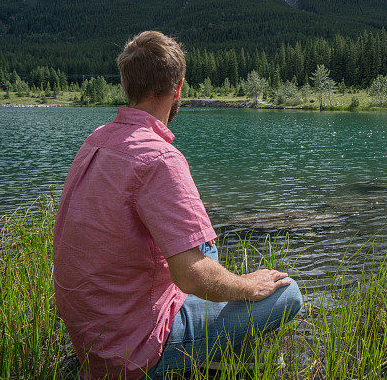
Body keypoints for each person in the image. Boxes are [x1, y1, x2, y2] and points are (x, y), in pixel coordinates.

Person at [53, 31, 303, 379]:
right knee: (288, 294)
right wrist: (249, 285)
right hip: (135, 353)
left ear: (126, 84)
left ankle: (211, 340)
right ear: (178, 88)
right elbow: (192, 276)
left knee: (203, 244)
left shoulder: (96, 140)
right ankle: (211, 357)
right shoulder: (160, 158)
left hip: (92, 335)